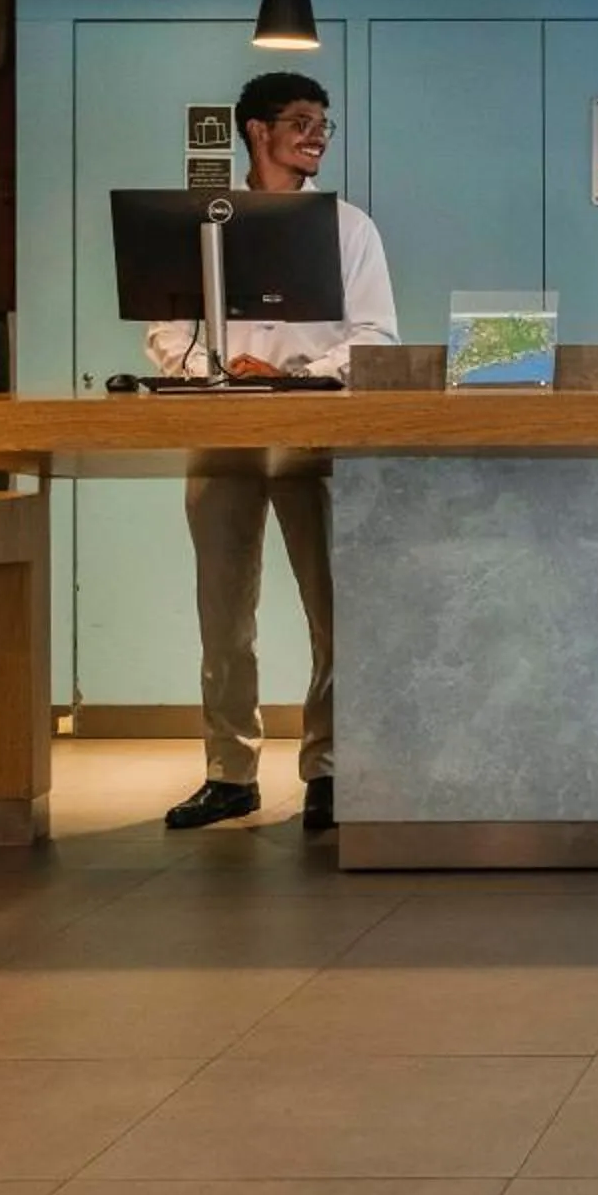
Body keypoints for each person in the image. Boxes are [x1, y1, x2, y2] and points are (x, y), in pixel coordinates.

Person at [147, 70, 397, 833]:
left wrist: (291, 378)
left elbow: (376, 339)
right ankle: (230, 774)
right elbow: (162, 328)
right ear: (255, 131)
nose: (317, 135)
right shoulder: (202, 223)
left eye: (323, 122)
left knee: (334, 612)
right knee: (223, 615)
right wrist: (218, 374)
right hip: (221, 432)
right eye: (300, 121)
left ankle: (327, 770)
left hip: (316, 432)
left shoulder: (348, 227)